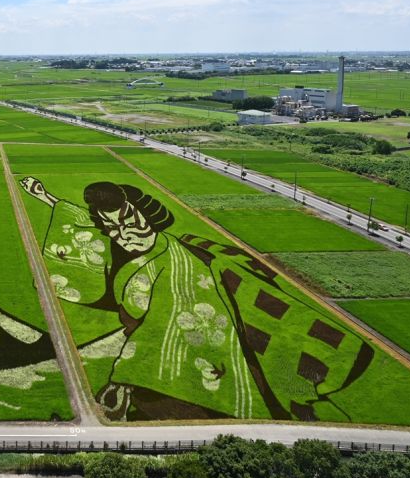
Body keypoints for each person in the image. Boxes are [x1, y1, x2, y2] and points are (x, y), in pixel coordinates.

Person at [21, 177, 374, 422]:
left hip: (200, 352)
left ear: (150, 216)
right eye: (113, 230)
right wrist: (47, 197)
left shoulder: (178, 263)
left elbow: (169, 317)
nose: (125, 235)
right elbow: (84, 220)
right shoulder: (130, 252)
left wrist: (129, 368)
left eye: (130, 222)